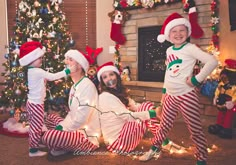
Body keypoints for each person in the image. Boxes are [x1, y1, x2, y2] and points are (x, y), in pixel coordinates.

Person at [138, 12, 218, 165]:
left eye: (182, 30)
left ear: (187, 32)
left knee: (195, 129)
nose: (178, 34)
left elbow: (212, 61)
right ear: (168, 34)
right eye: (174, 31)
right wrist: (163, 95)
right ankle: (154, 149)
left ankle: (202, 158)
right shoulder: (169, 51)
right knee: (163, 126)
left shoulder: (190, 48)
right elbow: (168, 74)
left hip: (187, 95)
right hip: (170, 96)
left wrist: (196, 79)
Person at [97, 62, 183, 156]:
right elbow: (128, 116)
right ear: (102, 82)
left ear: (116, 76)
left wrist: (154, 109)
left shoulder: (117, 92)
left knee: (145, 107)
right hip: (118, 144)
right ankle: (163, 141)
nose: (109, 78)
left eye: (111, 74)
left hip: (120, 139)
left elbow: (135, 106)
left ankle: (162, 140)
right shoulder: (105, 97)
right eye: (105, 77)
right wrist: (153, 113)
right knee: (146, 110)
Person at [19, 41, 74, 157]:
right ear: (31, 60)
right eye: (38, 58)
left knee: (36, 125)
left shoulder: (32, 71)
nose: (41, 60)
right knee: (36, 126)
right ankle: (33, 151)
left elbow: (43, 80)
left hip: (34, 103)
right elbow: (53, 77)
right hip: (35, 104)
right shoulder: (37, 71)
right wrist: (67, 71)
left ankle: (34, 144)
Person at [42, 49, 101, 156]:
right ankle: (64, 144)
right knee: (49, 118)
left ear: (79, 66)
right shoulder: (74, 86)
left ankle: (63, 144)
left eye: (70, 60)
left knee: (49, 137)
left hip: (86, 136)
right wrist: (62, 125)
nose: (66, 62)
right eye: (66, 59)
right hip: (74, 128)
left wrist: (63, 128)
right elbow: (72, 113)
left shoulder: (87, 86)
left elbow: (81, 119)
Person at [208, 59, 236, 139]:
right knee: (221, 114)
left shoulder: (234, 87)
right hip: (222, 100)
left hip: (230, 102)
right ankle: (219, 125)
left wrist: (232, 102)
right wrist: (216, 97)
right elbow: (218, 90)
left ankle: (227, 129)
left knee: (228, 116)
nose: (224, 78)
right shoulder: (221, 84)